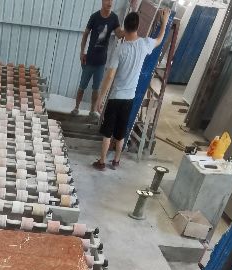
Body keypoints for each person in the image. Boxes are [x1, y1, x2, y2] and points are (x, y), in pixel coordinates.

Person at [93, 8, 169, 170]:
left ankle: (102, 162)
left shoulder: (120, 49)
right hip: (129, 98)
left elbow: (110, 76)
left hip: (115, 97)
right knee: (120, 133)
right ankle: (116, 160)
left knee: (107, 132)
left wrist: (100, 98)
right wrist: (164, 22)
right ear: (138, 27)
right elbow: (159, 39)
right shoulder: (144, 44)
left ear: (124, 28)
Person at [71, 0, 122, 118]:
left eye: (112, 0)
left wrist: (130, 30)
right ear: (103, 1)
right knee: (82, 86)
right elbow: (85, 34)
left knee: (96, 88)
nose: (110, 2)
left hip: (101, 62)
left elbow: (119, 34)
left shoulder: (114, 18)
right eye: (107, 0)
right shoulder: (94, 17)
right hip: (89, 60)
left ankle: (92, 111)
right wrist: (82, 52)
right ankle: (76, 107)